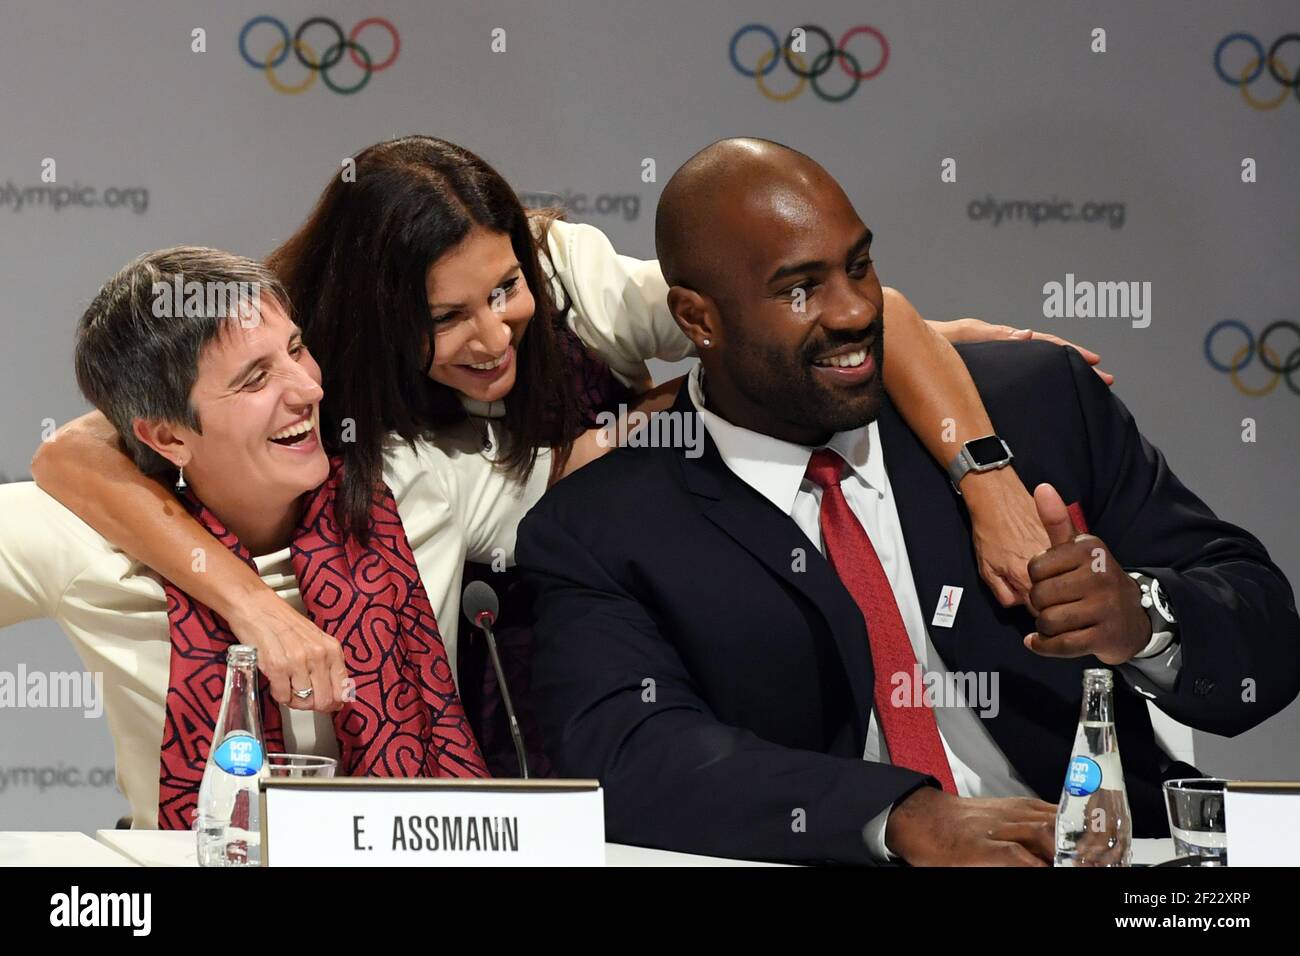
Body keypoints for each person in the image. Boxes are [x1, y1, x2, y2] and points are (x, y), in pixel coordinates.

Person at [31, 136, 1105, 732]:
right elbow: (71, 453)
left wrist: (985, 472)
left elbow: (840, 308)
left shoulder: (566, 280)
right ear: (364, 316)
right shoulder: (320, 364)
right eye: (445, 318)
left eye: (502, 291)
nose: (493, 333)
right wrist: (255, 605)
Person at [514, 138, 1300, 865]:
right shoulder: (602, 524)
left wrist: (1145, 618)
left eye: (859, 266)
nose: (856, 310)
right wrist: (900, 816)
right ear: (697, 319)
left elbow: (1267, 634)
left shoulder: (1035, 407)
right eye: (799, 288)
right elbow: (630, 752)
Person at [1, 248, 554, 828]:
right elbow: (68, 454)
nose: (309, 391)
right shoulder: (86, 542)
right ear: (167, 436)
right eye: (255, 379)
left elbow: (600, 481)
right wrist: (251, 606)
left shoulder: (412, 487)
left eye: (295, 350)